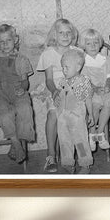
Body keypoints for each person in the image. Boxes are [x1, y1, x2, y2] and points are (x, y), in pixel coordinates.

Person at [0, 24, 34, 163]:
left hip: (16, 90)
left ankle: (15, 143)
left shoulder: (21, 59)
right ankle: (16, 143)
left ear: (16, 39)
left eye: (9, 40)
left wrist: (22, 89)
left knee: (25, 108)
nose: (5, 44)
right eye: (1, 41)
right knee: (4, 112)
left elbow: (25, 82)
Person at [36, 18, 79, 173]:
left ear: (73, 35)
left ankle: (77, 154)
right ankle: (51, 155)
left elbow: (82, 76)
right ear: (55, 34)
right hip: (54, 89)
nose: (65, 36)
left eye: (68, 33)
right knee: (53, 114)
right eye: (61, 33)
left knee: (77, 114)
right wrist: (54, 92)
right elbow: (48, 79)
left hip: (74, 90)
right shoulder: (48, 54)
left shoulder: (77, 52)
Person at [56, 49, 94, 174]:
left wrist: (91, 114)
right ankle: (68, 162)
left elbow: (88, 98)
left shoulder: (83, 81)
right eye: (62, 67)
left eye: (67, 67)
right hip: (63, 115)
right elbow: (60, 96)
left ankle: (85, 163)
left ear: (78, 67)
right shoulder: (62, 81)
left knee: (80, 140)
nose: (64, 70)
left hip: (77, 115)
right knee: (64, 139)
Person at [79, 28, 110, 152]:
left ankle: (100, 133)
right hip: (91, 90)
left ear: (100, 43)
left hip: (106, 88)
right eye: (89, 43)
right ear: (84, 46)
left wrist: (107, 86)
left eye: (95, 42)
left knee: (107, 103)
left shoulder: (105, 58)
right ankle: (92, 133)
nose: (93, 46)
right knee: (93, 106)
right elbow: (84, 79)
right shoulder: (82, 61)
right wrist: (94, 88)